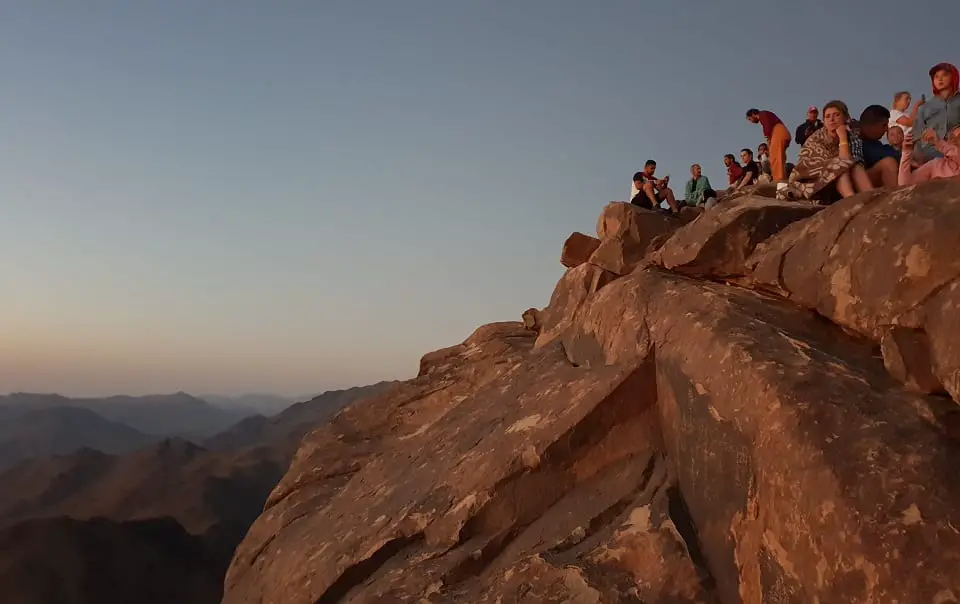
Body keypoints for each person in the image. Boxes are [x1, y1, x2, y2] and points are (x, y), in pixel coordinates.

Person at [778, 100, 873, 203]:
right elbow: (842, 162)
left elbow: (851, 162)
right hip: (812, 181)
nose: (831, 119)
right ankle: (852, 201)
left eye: (836, 115)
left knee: (855, 166)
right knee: (838, 167)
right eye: (827, 117)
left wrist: (843, 137)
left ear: (845, 118)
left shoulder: (852, 136)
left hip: (842, 178)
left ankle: (872, 200)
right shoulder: (816, 138)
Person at [915, 63, 960, 162]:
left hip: (955, 149)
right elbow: (916, 136)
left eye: (945, 75)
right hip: (930, 152)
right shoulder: (924, 108)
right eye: (936, 77)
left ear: (954, 77)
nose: (940, 79)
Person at [857, 105, 900, 187]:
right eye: (884, 125)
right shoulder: (856, 138)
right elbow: (879, 155)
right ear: (870, 126)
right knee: (888, 163)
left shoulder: (874, 142)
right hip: (857, 185)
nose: (887, 129)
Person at [746, 108, 791, 181]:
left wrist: (767, 137)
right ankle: (781, 178)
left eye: (750, 119)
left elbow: (767, 126)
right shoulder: (764, 116)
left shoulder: (762, 114)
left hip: (778, 133)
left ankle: (779, 179)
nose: (751, 121)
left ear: (753, 115)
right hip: (779, 134)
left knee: (776, 158)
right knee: (777, 157)